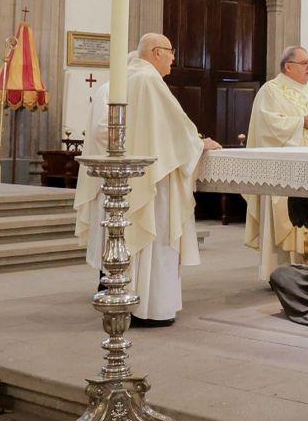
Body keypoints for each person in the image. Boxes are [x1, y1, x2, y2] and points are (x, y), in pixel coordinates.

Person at [75, 33, 219, 326]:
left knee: (127, 235)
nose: (173, 58)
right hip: (154, 178)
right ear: (156, 52)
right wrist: (199, 143)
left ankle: (121, 294)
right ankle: (151, 308)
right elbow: (176, 130)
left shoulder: (118, 81)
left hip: (125, 176)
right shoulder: (149, 80)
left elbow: (116, 130)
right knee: (153, 238)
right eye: (170, 52)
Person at [245, 45, 308, 278]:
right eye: (305, 63)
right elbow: (268, 125)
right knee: (286, 218)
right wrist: (301, 122)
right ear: (288, 66)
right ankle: (281, 274)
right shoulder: (271, 90)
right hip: (284, 172)